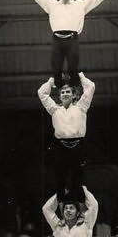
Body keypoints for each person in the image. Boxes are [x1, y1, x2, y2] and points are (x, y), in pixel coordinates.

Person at [22, 0, 118, 88]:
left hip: (72, 40)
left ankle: (74, 94)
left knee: (73, 69)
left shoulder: (80, 5)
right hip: (57, 40)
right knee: (56, 70)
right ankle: (60, 92)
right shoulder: (52, 5)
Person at [37, 73, 95, 203]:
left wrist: (79, 76)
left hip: (78, 146)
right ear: (59, 96)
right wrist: (52, 81)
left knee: (77, 180)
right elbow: (42, 93)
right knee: (59, 181)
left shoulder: (81, 107)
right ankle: (62, 211)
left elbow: (91, 87)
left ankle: (80, 211)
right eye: (62, 92)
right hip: (61, 147)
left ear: (74, 95)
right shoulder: (55, 110)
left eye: (68, 91)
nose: (64, 94)